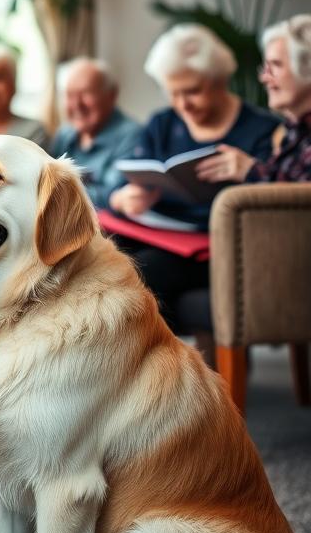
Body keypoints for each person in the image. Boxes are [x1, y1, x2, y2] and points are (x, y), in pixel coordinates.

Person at [108, 23, 279, 339]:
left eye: (193, 91)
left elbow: (277, 203)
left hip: (220, 247)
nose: (183, 104)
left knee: (138, 271)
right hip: (160, 234)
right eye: (173, 94)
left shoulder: (261, 130)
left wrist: (250, 170)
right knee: (97, 254)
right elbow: (120, 182)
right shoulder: (163, 124)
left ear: (220, 80)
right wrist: (124, 197)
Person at [195, 13, 311, 184]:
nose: (264, 78)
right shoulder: (292, 132)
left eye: (276, 65)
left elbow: (299, 195)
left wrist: (252, 171)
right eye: (265, 68)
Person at [50, 57, 142, 209]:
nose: (77, 104)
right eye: (69, 95)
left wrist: (57, 190)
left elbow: (112, 195)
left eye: (85, 93)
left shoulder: (133, 136)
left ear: (112, 95)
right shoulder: (64, 133)